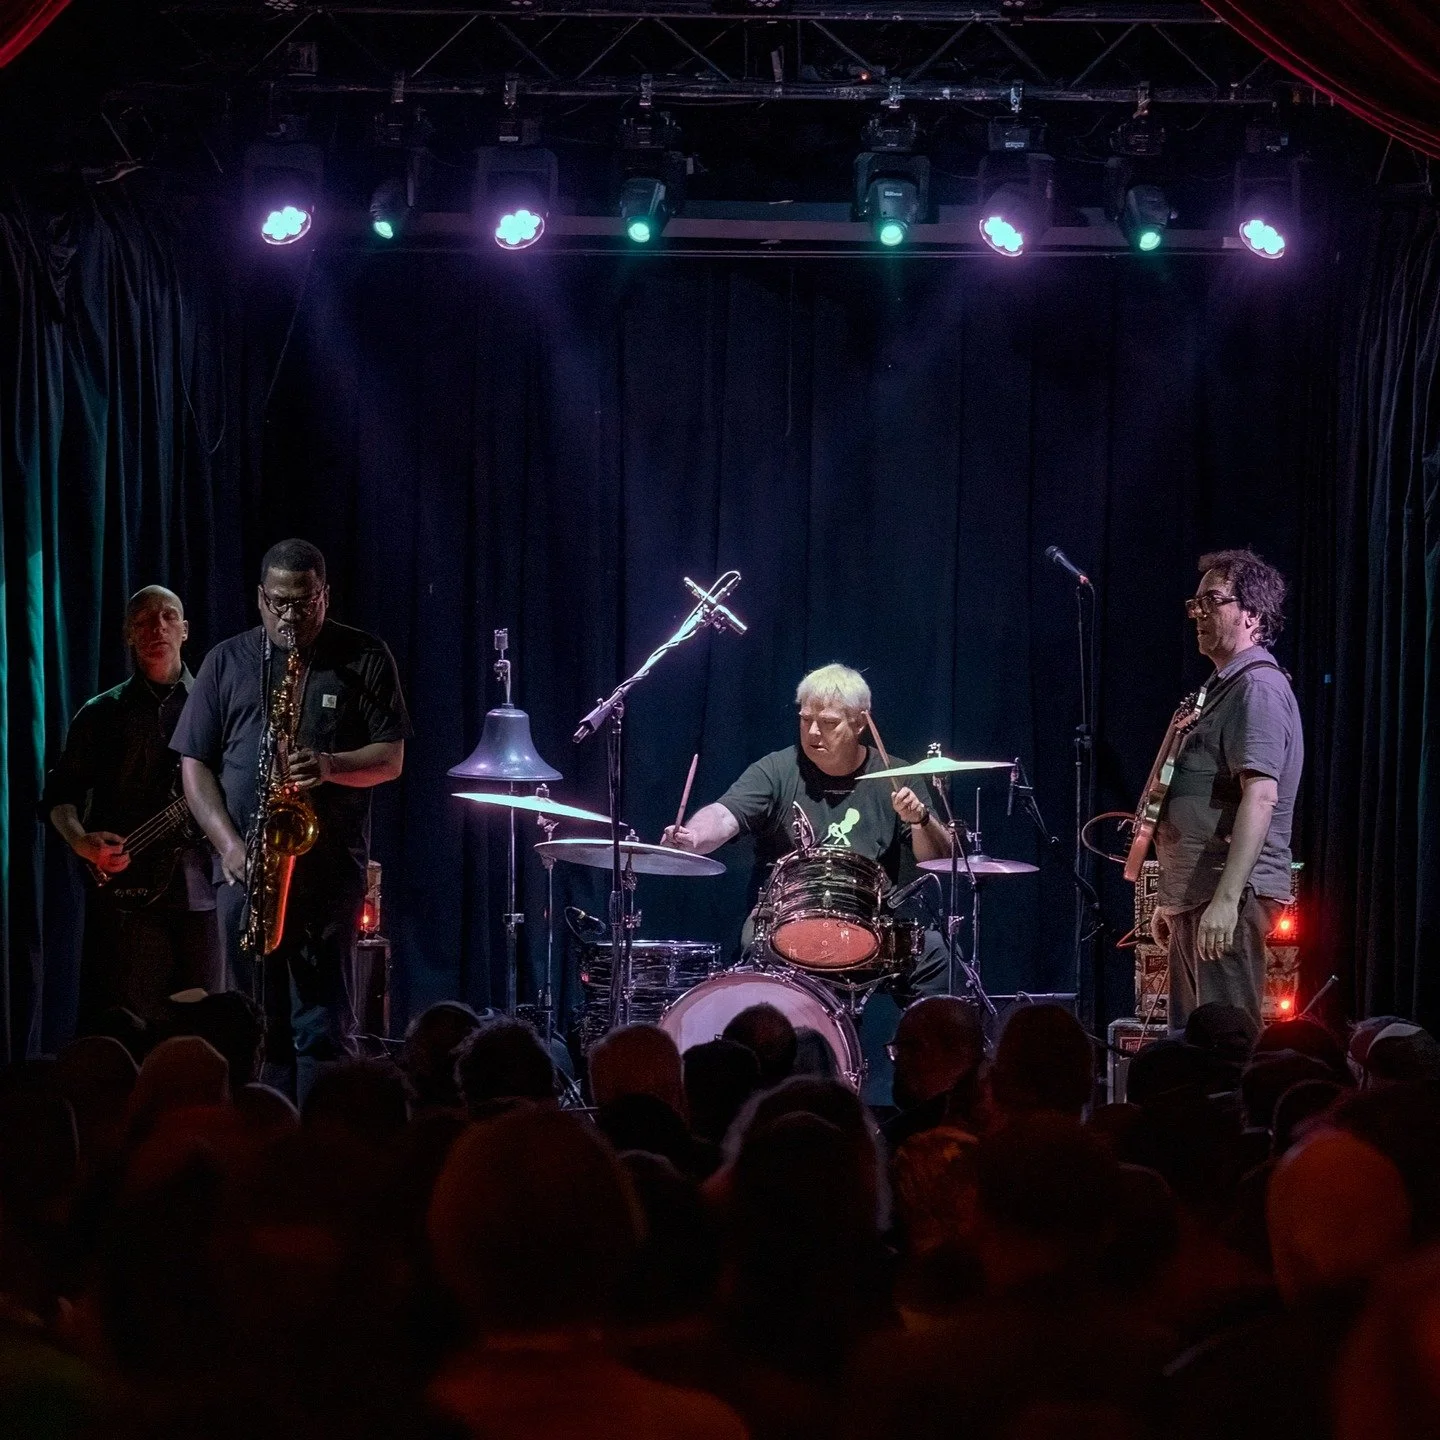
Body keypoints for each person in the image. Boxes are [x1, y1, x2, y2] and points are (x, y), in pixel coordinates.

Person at [171, 539, 409, 1101]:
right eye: (278, 603)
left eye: (303, 603)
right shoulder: (226, 660)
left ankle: (319, 1151)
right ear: (259, 598)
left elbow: (391, 759)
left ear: (325, 597)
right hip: (246, 869)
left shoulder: (364, 656)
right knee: (252, 1026)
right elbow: (194, 764)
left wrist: (329, 766)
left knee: (323, 1029)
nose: (290, 617)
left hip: (327, 873)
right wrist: (228, 846)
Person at [662, 662, 951, 994]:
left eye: (828, 723)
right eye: (805, 720)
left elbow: (939, 859)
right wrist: (694, 836)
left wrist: (920, 820)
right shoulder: (776, 769)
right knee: (753, 943)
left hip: (873, 923)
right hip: (786, 921)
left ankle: (924, 1046)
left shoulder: (897, 775)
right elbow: (724, 815)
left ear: (859, 723)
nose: (813, 732)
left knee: (935, 955)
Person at [44, 586, 221, 1032]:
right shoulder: (100, 714)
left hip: (202, 894)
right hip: (128, 904)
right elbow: (59, 797)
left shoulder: (217, 708)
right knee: (131, 1032)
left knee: (198, 1031)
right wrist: (81, 842)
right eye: (143, 620)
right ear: (127, 634)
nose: (156, 627)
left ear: (185, 630)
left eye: (167, 617)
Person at [1153, 549, 1304, 1031]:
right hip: (1199, 894)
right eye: (1194, 605)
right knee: (1192, 1045)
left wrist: (1224, 898)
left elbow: (1261, 796)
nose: (1198, 614)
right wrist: (1173, 899)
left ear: (1252, 614)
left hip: (1228, 895)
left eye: (1212, 602)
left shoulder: (1257, 688)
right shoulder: (1221, 687)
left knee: (1224, 1047)